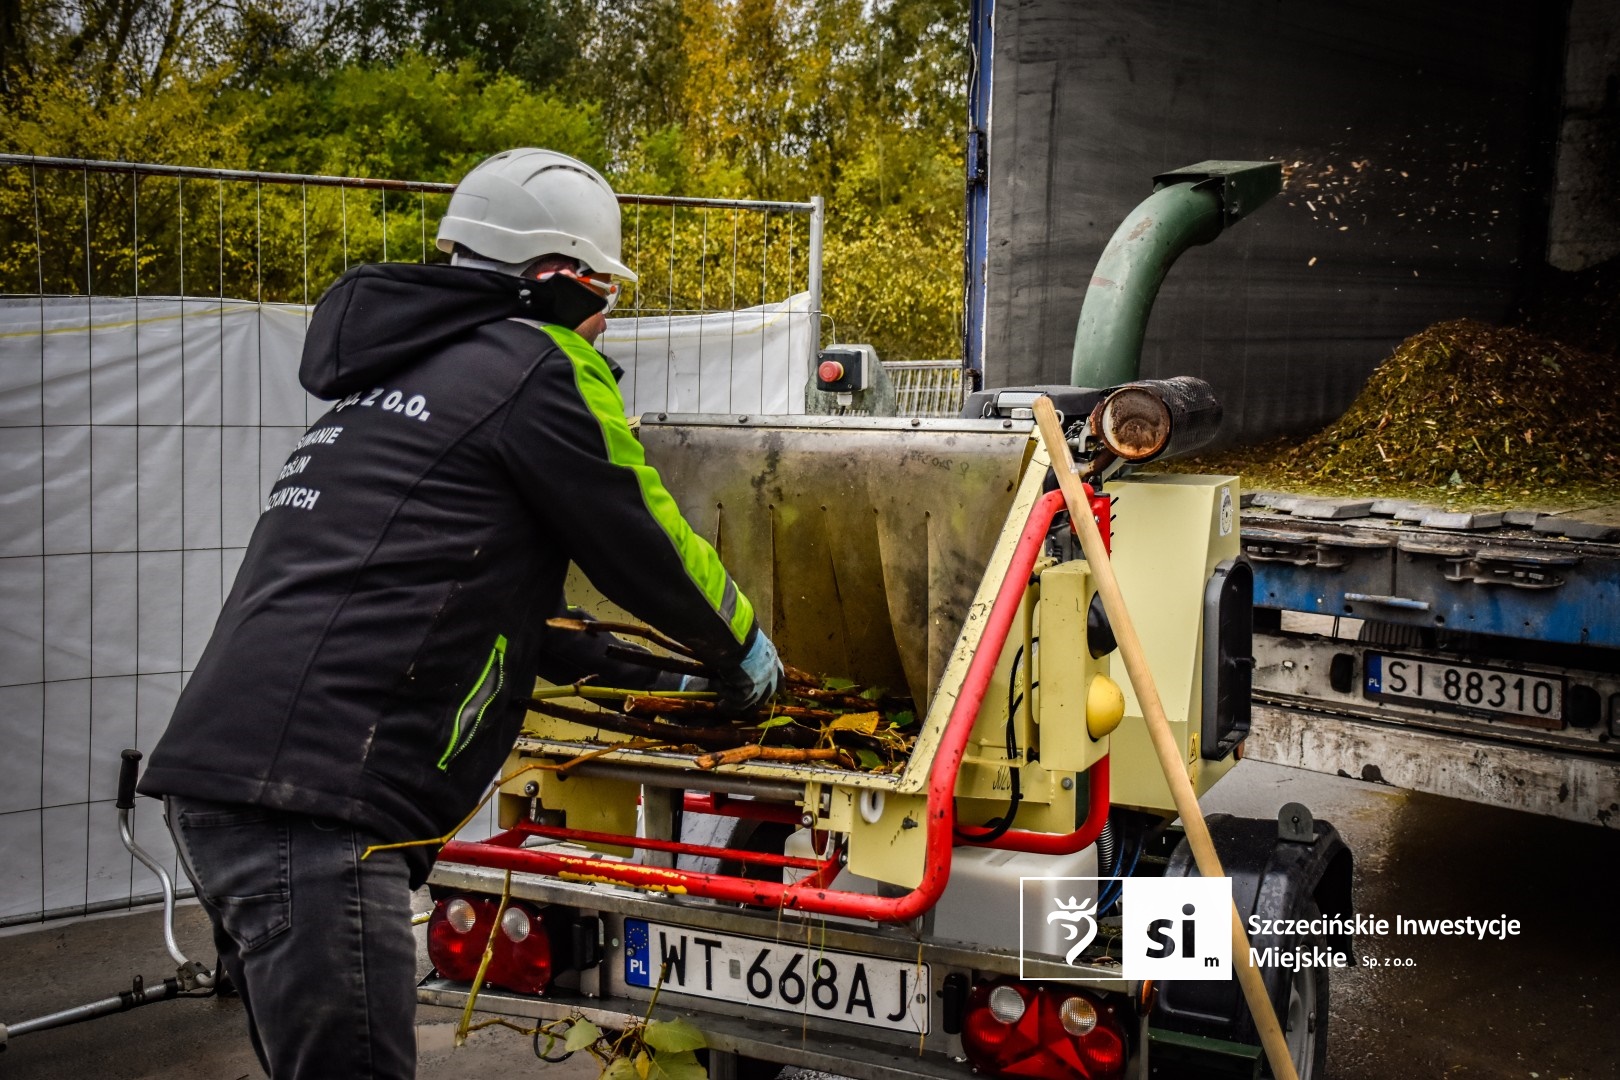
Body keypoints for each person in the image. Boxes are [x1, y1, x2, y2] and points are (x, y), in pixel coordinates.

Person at [137, 148, 782, 1079]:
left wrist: (658, 675)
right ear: (559, 279)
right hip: (313, 808)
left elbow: (478, 606)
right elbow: (641, 533)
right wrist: (740, 646)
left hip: (240, 786)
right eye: (606, 295)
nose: (606, 323)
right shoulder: (537, 363)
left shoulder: (404, 383)